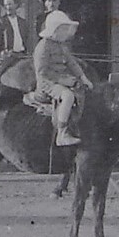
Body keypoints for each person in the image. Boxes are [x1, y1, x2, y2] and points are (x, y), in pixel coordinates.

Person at [33, 10, 94, 147]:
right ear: (55, 30)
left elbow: (71, 63)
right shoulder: (43, 47)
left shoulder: (62, 45)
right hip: (47, 83)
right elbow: (43, 72)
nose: (66, 33)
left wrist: (83, 78)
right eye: (63, 30)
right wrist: (64, 81)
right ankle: (62, 133)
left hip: (63, 78)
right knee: (68, 96)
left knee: (84, 91)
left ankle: (77, 126)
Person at [0, 0, 31, 85]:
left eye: (10, 4)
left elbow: (27, 38)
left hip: (23, 54)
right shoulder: (0, 22)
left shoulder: (23, 22)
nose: (8, 7)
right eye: (5, 5)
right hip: (8, 54)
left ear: (16, 5)